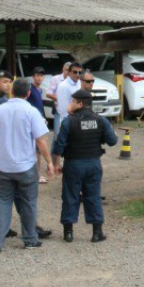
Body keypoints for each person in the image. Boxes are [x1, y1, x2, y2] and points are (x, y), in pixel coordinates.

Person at [0, 79, 54, 253]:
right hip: (26, 165)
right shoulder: (31, 111)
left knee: (3, 201)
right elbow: (40, 140)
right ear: (28, 93)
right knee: (29, 202)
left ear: (11, 91)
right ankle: (30, 239)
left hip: (4, 165)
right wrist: (49, 161)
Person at [52, 90, 117, 243]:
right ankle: (97, 232)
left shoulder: (68, 121)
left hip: (73, 164)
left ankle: (68, 233)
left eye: (72, 101)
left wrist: (56, 163)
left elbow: (59, 145)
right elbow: (113, 141)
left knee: (70, 196)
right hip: (93, 163)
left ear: (80, 104)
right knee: (93, 196)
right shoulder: (100, 120)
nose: (70, 104)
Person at [27, 67, 48, 184]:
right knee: (37, 150)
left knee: (38, 150)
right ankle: (36, 175)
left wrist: (43, 118)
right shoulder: (30, 89)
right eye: (37, 75)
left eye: (41, 75)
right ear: (33, 76)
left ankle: (36, 174)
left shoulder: (39, 90)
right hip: (33, 123)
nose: (39, 78)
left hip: (39, 121)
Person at [46, 62, 71, 136]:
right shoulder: (56, 79)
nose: (68, 72)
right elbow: (48, 93)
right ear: (63, 69)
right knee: (58, 134)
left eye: (70, 70)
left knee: (69, 134)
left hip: (71, 111)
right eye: (66, 70)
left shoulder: (74, 81)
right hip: (59, 110)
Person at [56, 62, 83, 127]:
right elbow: (63, 109)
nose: (77, 74)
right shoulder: (64, 86)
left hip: (78, 119)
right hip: (68, 120)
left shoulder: (79, 83)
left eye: (80, 72)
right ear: (69, 72)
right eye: (75, 72)